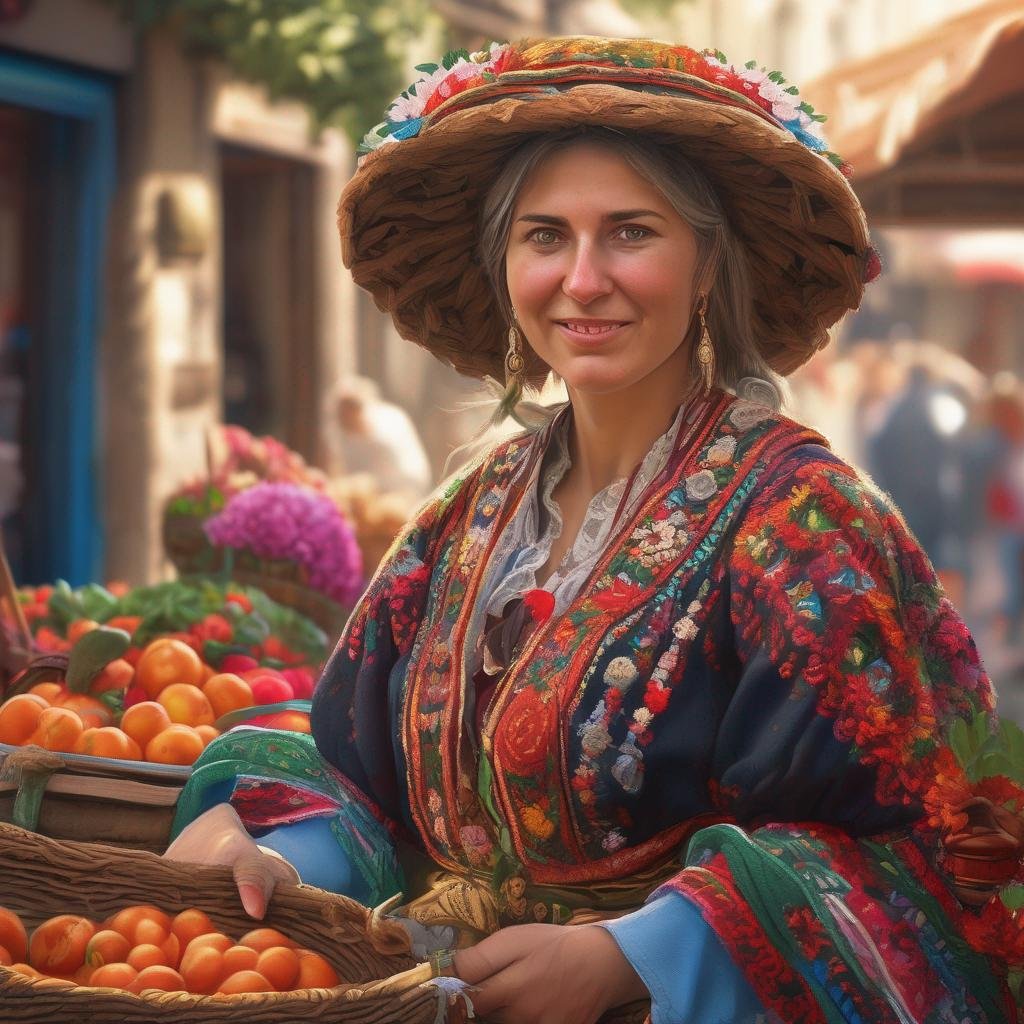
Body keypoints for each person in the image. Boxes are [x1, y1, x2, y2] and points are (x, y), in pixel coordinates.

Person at [165, 37, 1023, 1024]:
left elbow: (922, 856)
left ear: (708, 263)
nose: (580, 279)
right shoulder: (467, 510)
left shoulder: (803, 519)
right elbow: (362, 763)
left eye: (628, 232)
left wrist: (639, 953)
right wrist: (273, 856)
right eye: (543, 237)